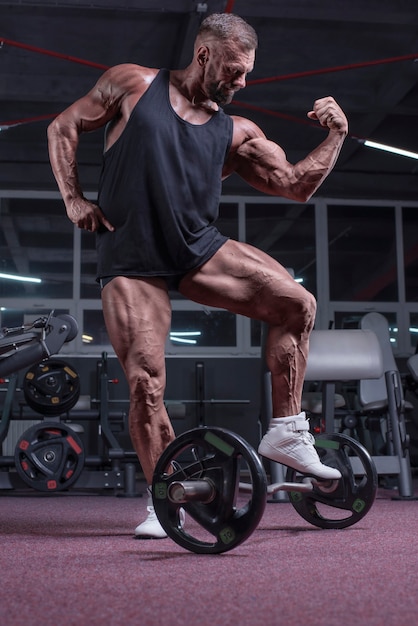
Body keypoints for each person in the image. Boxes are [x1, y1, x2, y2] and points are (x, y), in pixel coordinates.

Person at [48, 13, 348, 539]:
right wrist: (73, 199)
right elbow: (63, 126)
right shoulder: (133, 85)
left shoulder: (237, 132)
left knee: (297, 304)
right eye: (234, 71)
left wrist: (337, 133)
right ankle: (165, 498)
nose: (242, 83)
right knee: (146, 383)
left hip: (196, 249)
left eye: (248, 73)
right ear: (205, 55)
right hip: (131, 255)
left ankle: (287, 431)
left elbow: (296, 185)